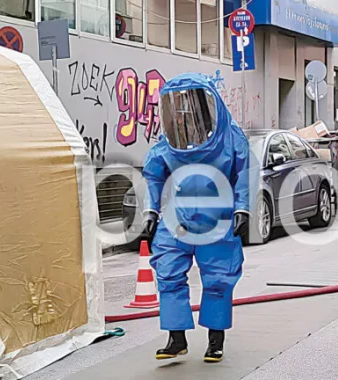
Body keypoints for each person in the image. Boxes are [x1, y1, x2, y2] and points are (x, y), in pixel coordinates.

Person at [140, 73, 253, 363]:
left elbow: (245, 173)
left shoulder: (230, 137)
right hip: (177, 217)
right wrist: (150, 212)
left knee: (218, 278)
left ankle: (215, 340)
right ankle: (176, 338)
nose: (184, 112)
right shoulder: (169, 143)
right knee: (167, 271)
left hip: (217, 218)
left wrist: (242, 208)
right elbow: (153, 173)